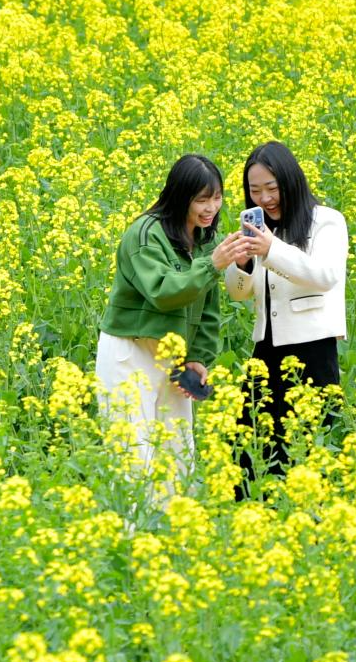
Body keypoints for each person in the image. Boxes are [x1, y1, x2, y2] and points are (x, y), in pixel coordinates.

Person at [96, 154, 251, 486]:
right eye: (202, 200)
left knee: (178, 456)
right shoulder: (144, 234)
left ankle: (174, 537)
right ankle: (129, 537)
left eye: (217, 197)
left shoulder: (204, 237)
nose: (211, 208)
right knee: (133, 458)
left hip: (173, 355)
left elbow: (208, 306)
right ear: (181, 196)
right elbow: (164, 292)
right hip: (130, 351)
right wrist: (213, 264)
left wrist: (198, 356)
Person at [225, 141, 349, 474]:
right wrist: (243, 265)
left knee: (308, 451)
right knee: (248, 448)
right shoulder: (260, 229)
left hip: (313, 351)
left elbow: (325, 276)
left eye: (271, 188)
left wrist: (271, 248)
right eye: (254, 191)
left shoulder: (326, 222)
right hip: (265, 349)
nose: (263, 199)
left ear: (291, 182)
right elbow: (239, 294)